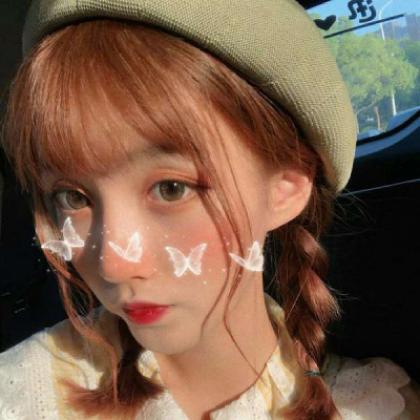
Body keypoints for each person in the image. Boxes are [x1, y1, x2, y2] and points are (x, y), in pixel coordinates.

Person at [0, 0, 419, 419]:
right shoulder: (18, 395)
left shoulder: (377, 406)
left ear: (285, 190)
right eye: (73, 198)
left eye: (171, 189)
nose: (113, 265)